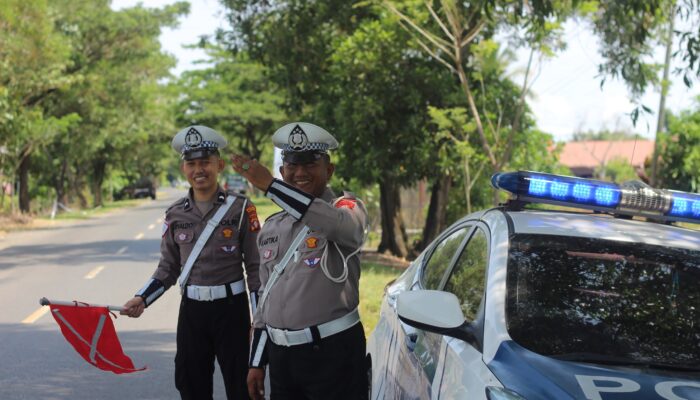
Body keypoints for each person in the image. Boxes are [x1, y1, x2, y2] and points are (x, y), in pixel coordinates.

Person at [231, 122, 369, 400]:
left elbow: (335, 225)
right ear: (283, 171)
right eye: (292, 166)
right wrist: (257, 361)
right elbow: (264, 299)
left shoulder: (347, 210)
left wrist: (270, 187)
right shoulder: (272, 227)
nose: (300, 173)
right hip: (283, 359)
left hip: (332, 354)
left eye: (310, 164)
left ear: (328, 170)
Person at [121, 125, 261, 400]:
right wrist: (142, 298)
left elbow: (255, 268)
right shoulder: (174, 214)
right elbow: (168, 268)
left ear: (219, 165)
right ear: (184, 168)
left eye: (205, 162)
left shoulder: (241, 208)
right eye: (191, 163)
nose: (199, 169)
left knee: (241, 387)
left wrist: (259, 320)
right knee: (190, 384)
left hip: (232, 311)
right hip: (192, 312)